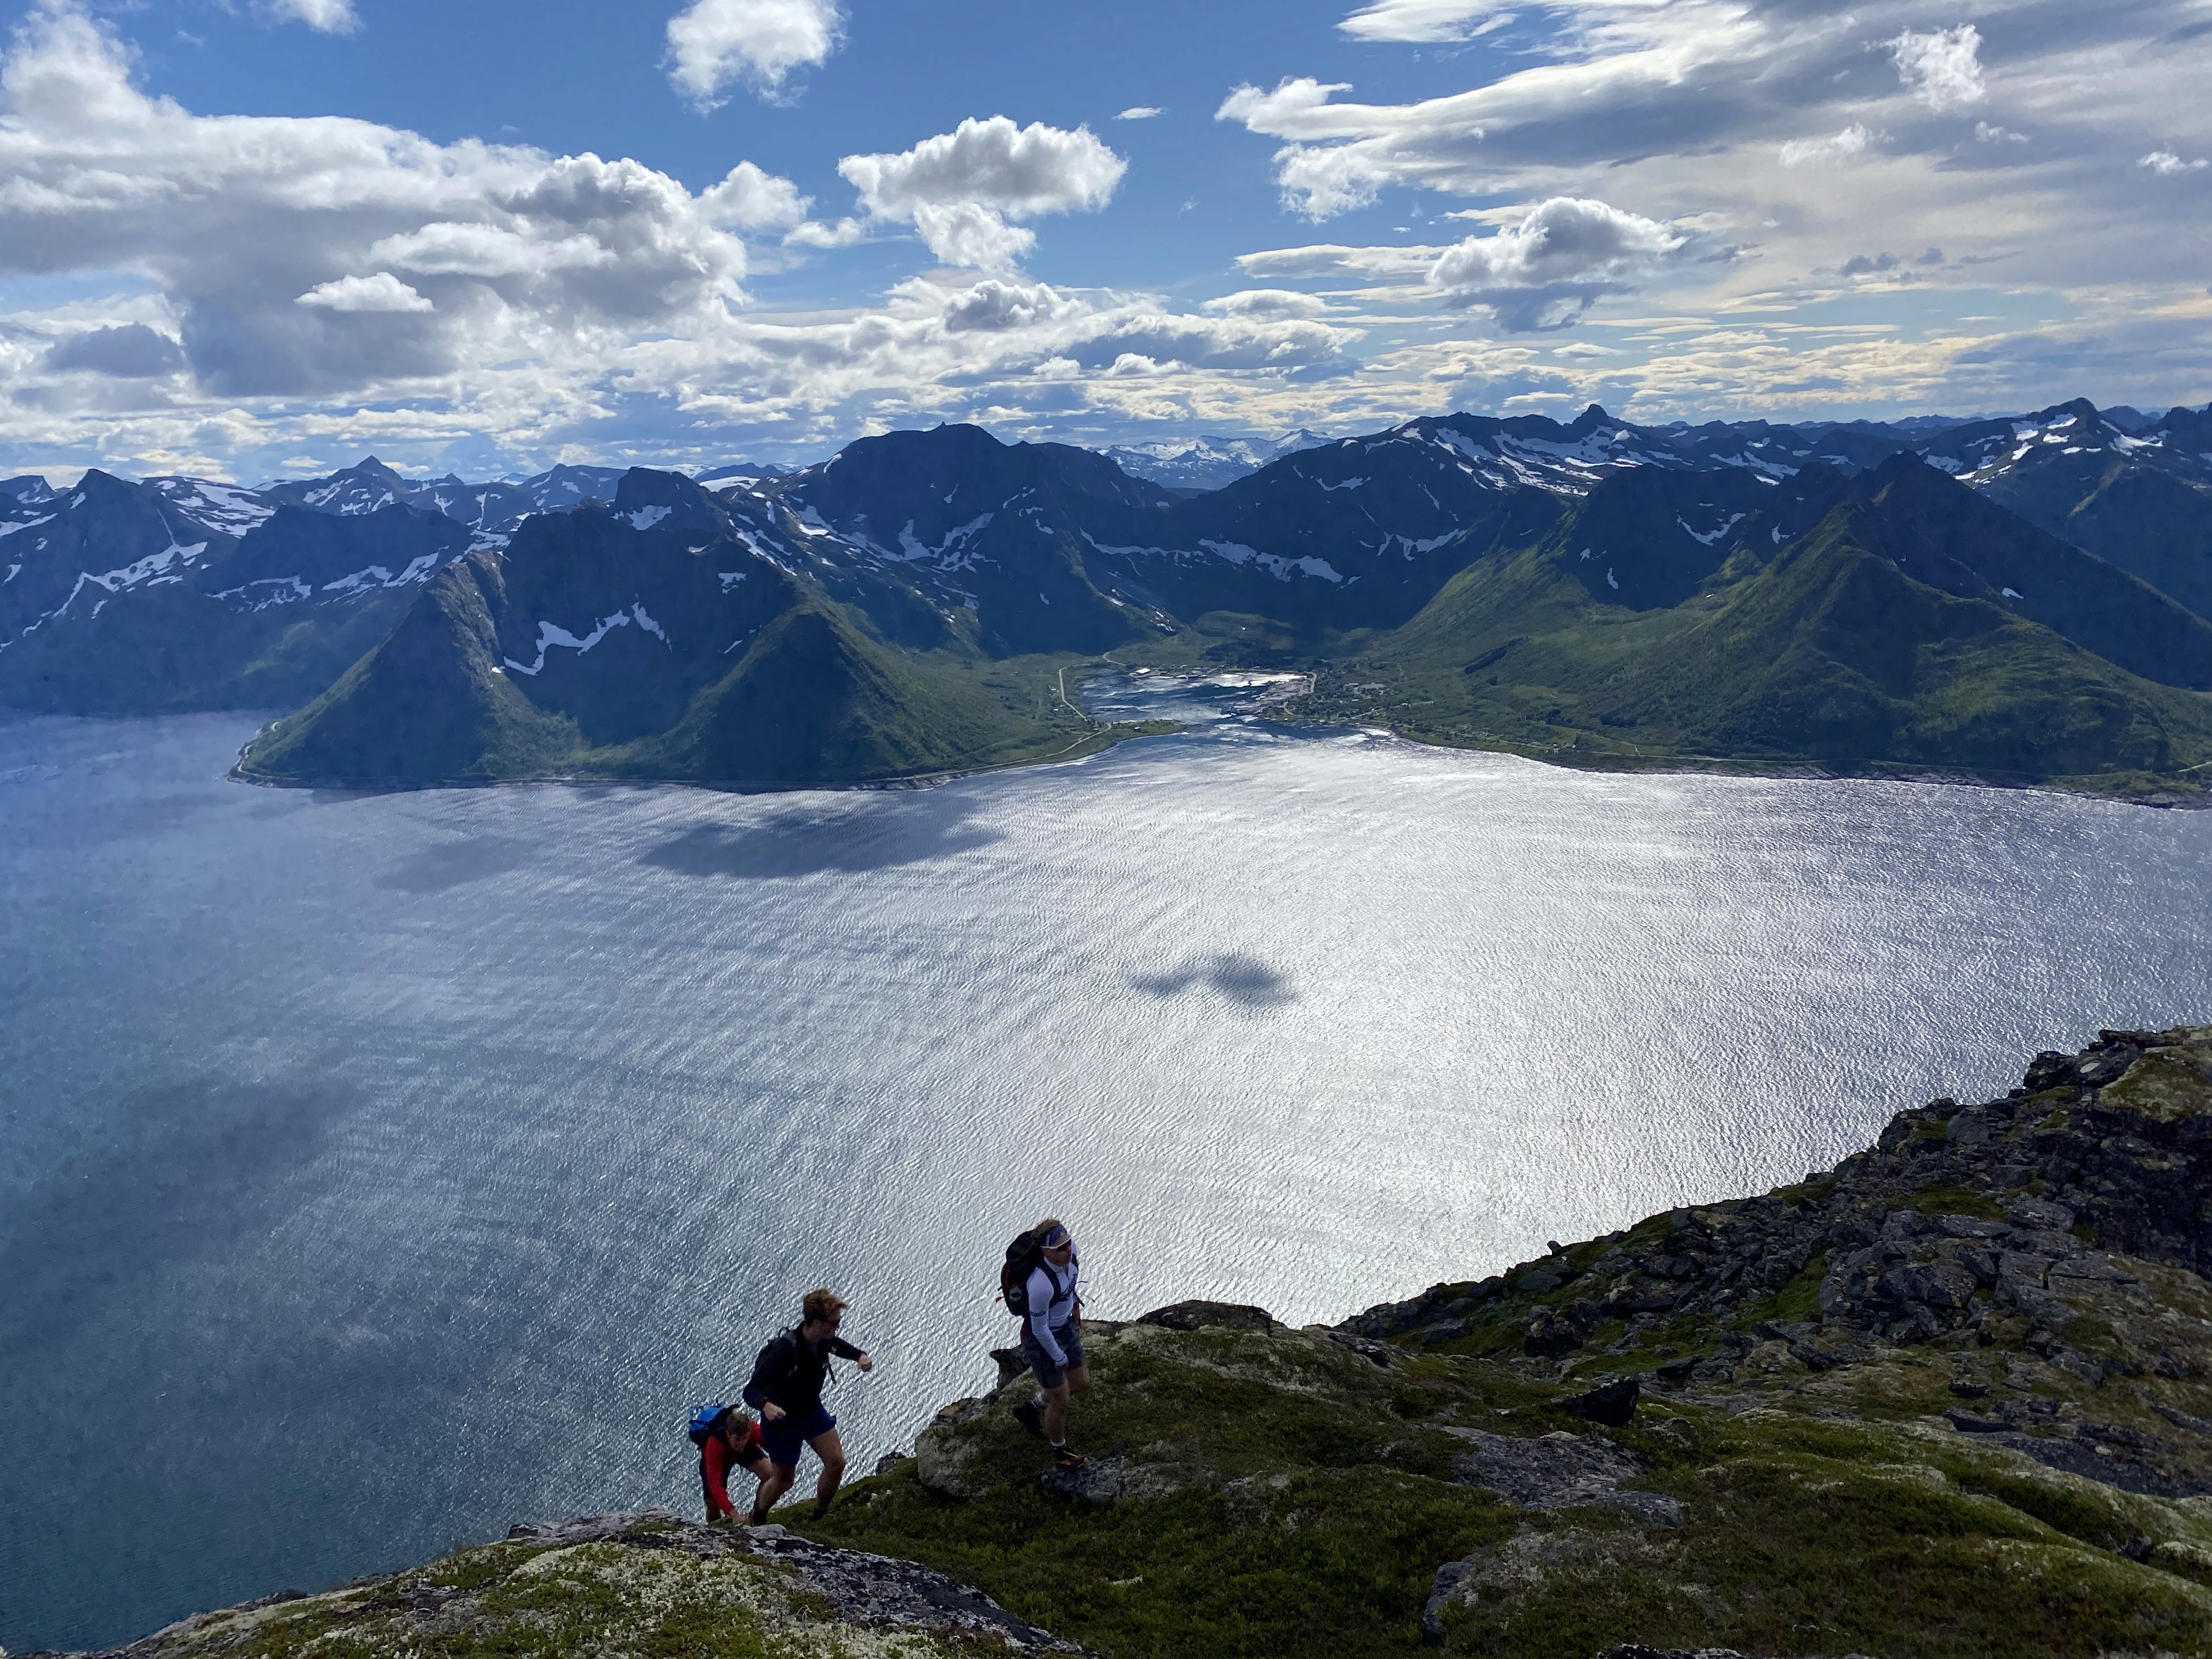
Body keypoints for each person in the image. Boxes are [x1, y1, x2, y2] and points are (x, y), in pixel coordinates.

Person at [743, 1286, 874, 1522]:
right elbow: (750, 1390)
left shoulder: (824, 1341)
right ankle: (758, 1515)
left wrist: (860, 1356)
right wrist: (765, 1405)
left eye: (838, 1323)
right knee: (784, 1479)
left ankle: (819, 1517)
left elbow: (839, 1346)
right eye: (833, 1323)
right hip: (782, 1421)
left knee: (836, 1463)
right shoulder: (784, 1350)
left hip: (811, 1411)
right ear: (815, 1322)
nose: (837, 1328)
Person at [1011, 1219, 1088, 1469]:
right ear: (1045, 1251)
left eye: (1068, 1243)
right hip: (1042, 1340)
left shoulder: (1072, 1254)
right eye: (1061, 1248)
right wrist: (1058, 1356)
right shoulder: (1040, 1284)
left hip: (1064, 1326)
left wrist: (1074, 1306)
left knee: (1080, 1382)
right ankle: (1061, 1451)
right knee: (1061, 1399)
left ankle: (1030, 1407)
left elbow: (1071, 1284)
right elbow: (1038, 1328)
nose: (1068, 1249)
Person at [698, 1406, 772, 1525]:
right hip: (720, 1456)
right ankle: (714, 1527)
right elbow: (715, 1485)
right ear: (728, 1434)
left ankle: (758, 1513)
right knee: (712, 1502)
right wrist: (734, 1514)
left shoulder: (751, 1432)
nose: (741, 1443)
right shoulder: (714, 1444)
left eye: (745, 1438)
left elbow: (771, 1440)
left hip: (741, 1450)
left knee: (768, 1474)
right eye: (738, 1439)